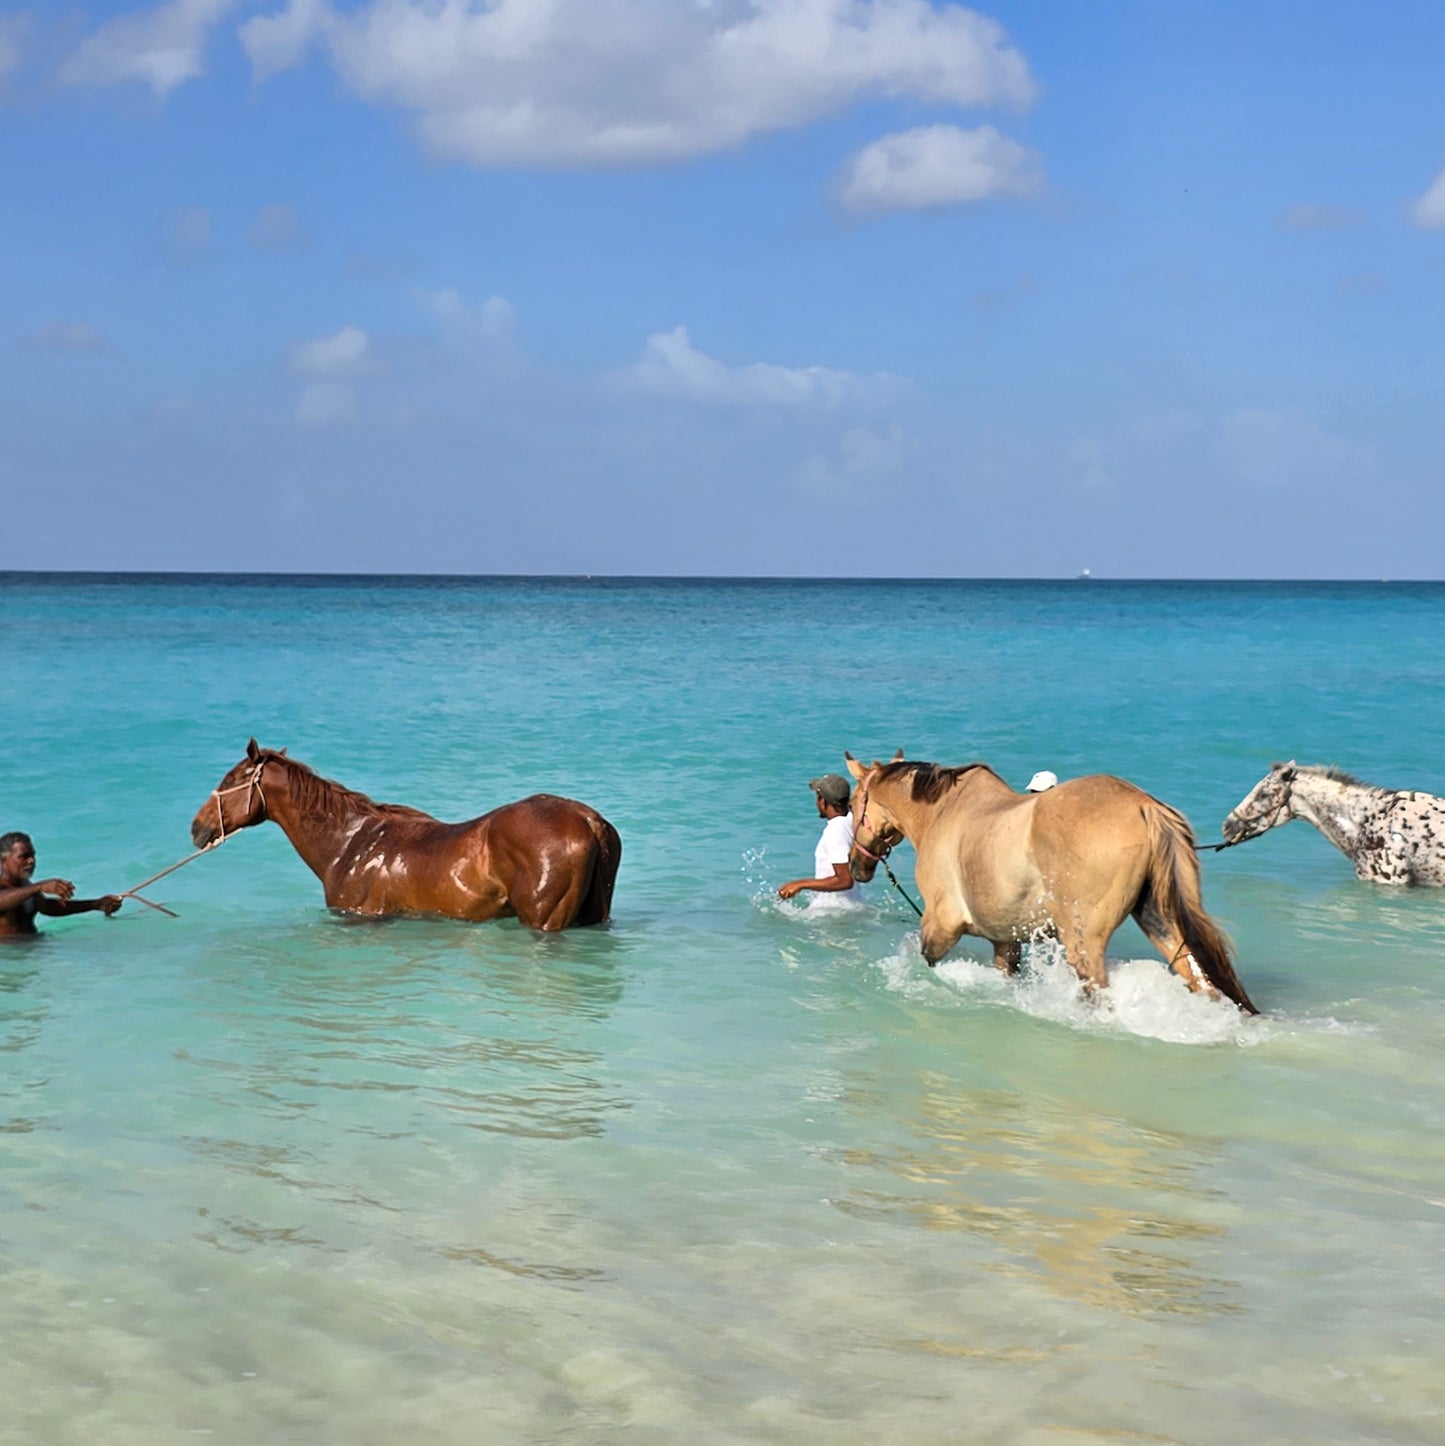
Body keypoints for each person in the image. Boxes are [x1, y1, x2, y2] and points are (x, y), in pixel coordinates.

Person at [0, 832, 122, 938]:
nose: (32, 861)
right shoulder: (22, 888)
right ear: (4, 860)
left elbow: (47, 907)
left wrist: (96, 904)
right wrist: (38, 887)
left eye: (33, 855)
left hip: (34, 947)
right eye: (24, 856)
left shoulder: (26, 886)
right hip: (11, 954)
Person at [779, 774, 856, 901]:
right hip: (850, 903)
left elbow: (845, 880)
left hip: (834, 907)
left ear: (823, 802)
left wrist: (800, 884)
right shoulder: (851, 822)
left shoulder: (836, 829)